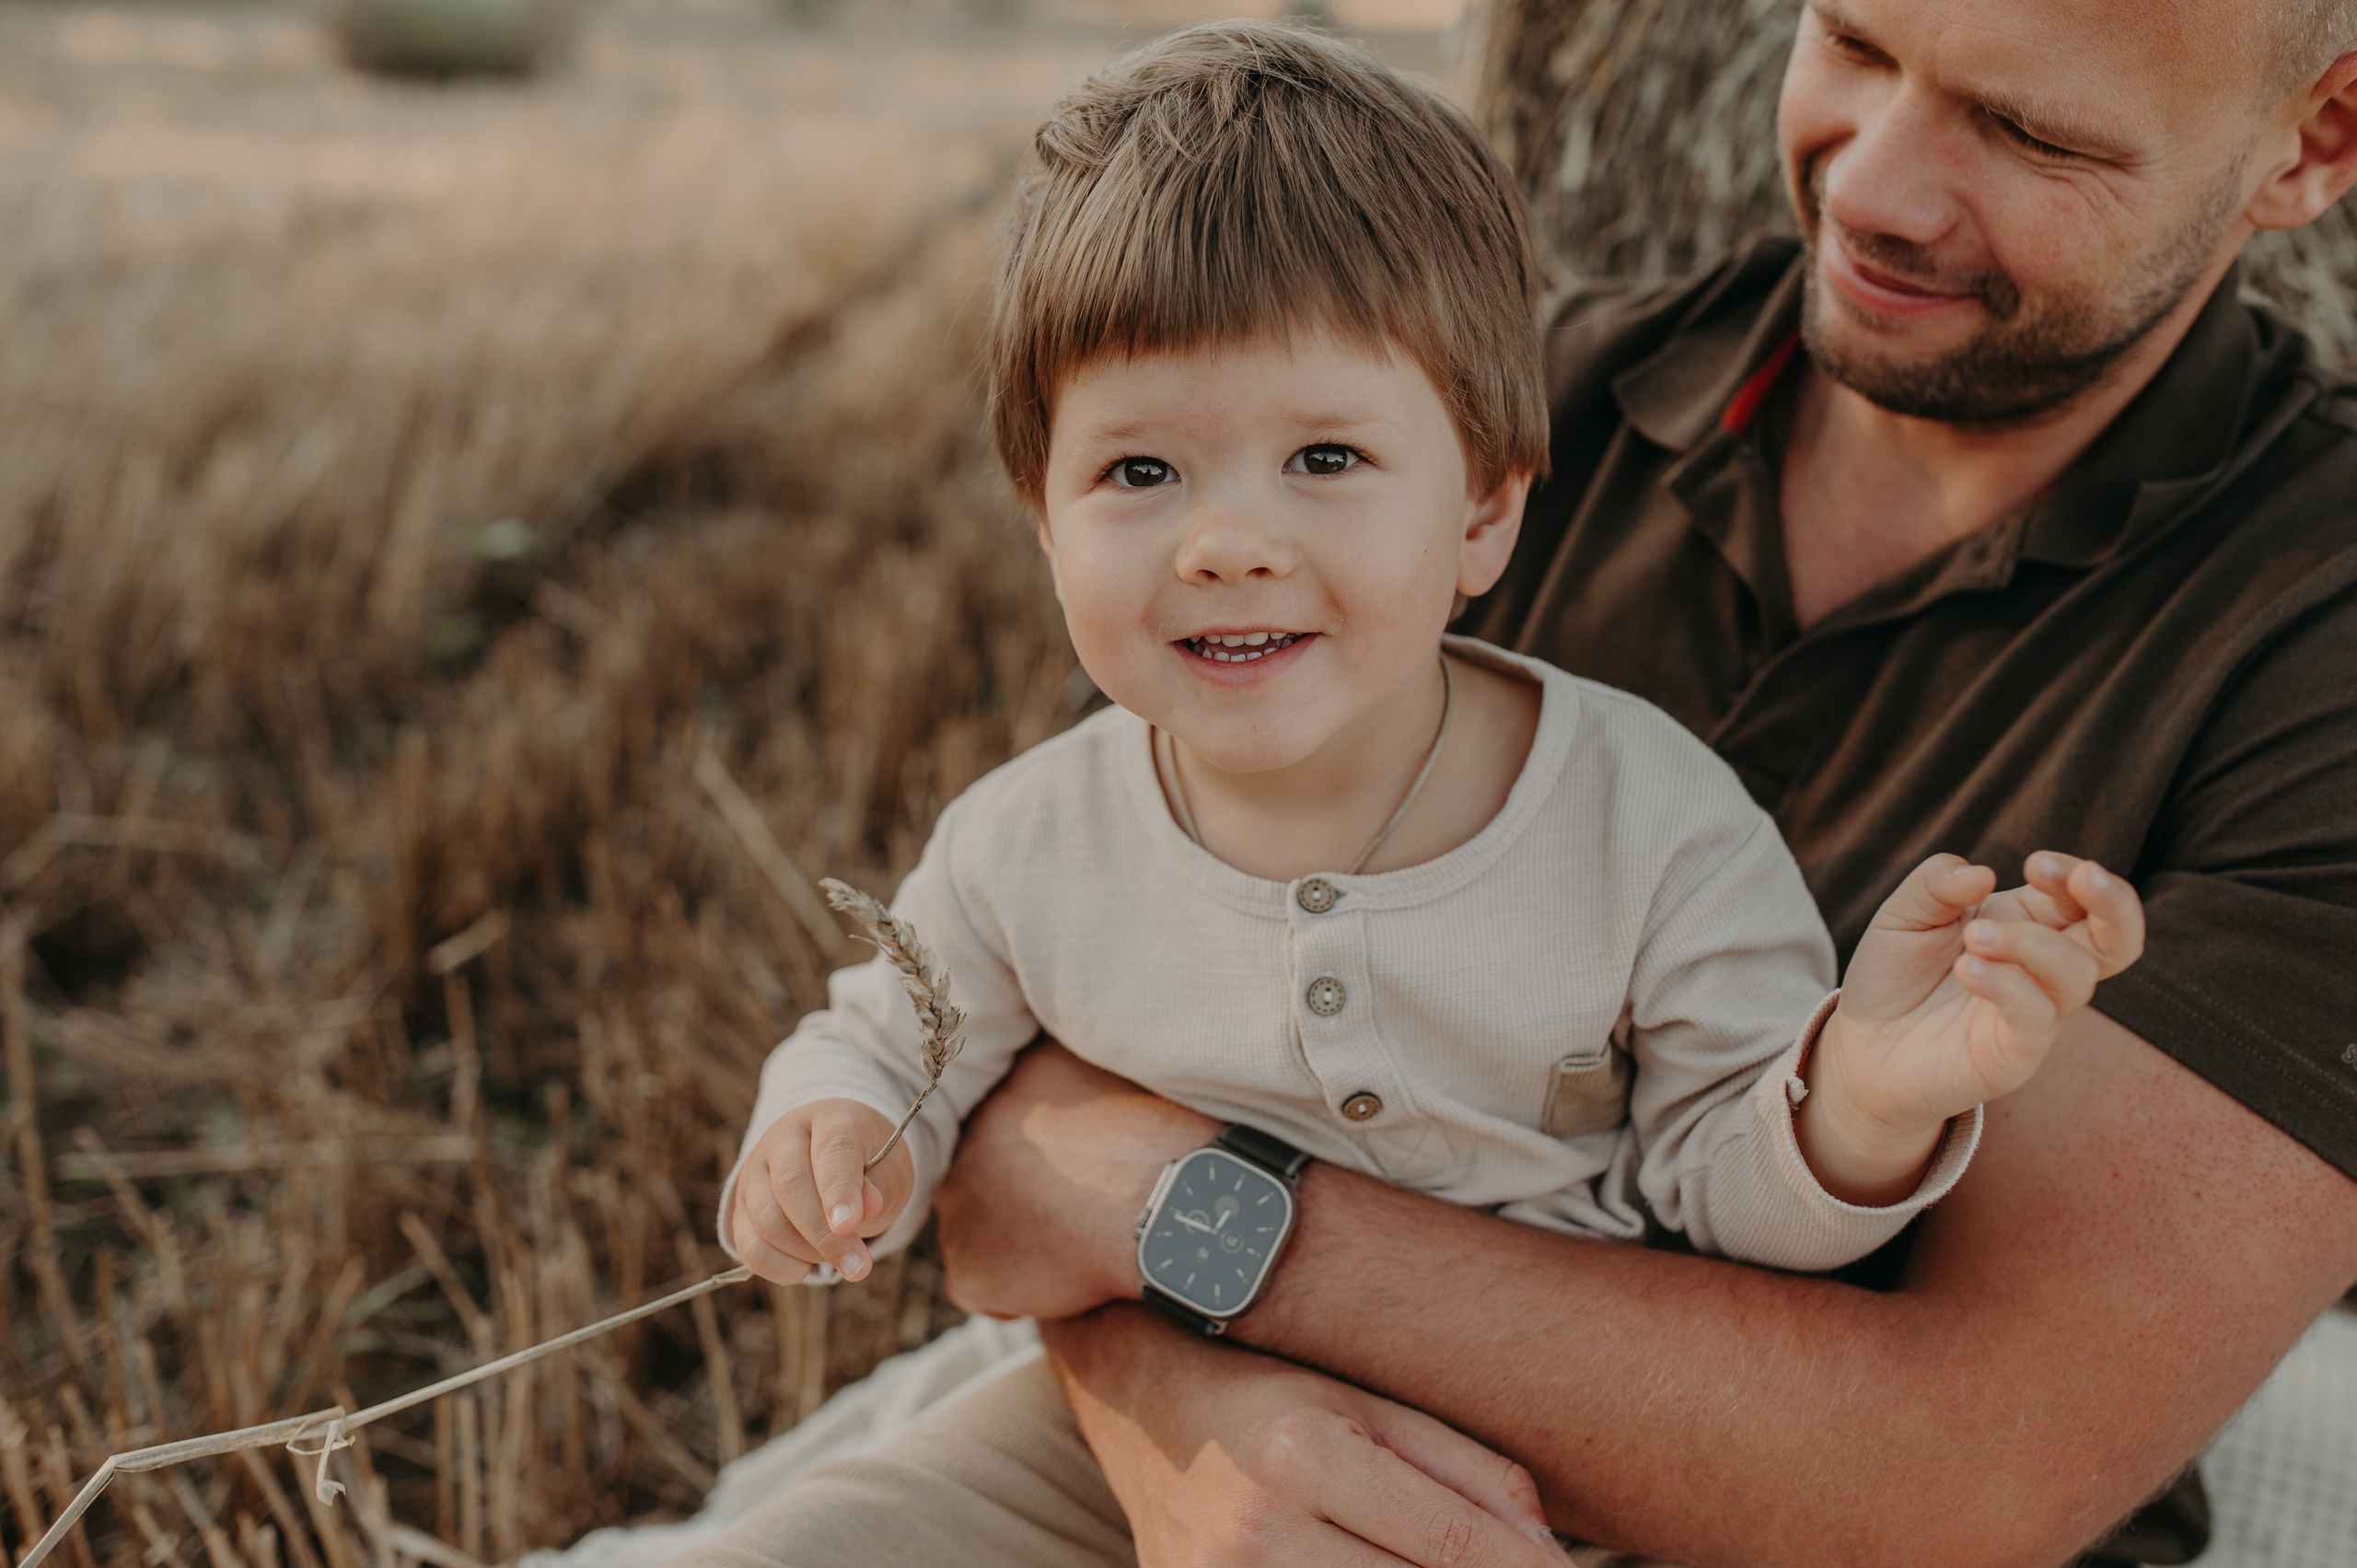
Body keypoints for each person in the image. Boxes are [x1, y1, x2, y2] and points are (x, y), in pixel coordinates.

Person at [888, 1, 2357, 1565]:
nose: (1874, 188)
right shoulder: (1492, 410)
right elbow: (1000, 1111)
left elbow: (1943, 1484)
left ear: (2316, 140)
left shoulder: (2312, 645)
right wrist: (1169, 1402)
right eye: (1855, 43)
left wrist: (1177, 1220)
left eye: (2034, 133)